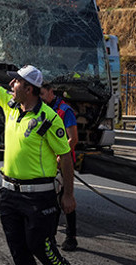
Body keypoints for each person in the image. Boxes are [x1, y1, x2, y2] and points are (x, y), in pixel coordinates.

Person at [0, 54, 74, 265]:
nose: (11, 83)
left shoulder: (49, 118)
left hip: (39, 197)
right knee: (19, 252)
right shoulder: (10, 105)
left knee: (41, 248)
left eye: (16, 80)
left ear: (29, 89)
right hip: (10, 195)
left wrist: (68, 195)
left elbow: (65, 157)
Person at [41, 83, 79, 251]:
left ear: (51, 92)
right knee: (51, 201)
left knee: (65, 201)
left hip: (62, 162)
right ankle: (51, 236)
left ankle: (71, 237)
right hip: (47, 163)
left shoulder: (65, 111)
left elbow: (73, 139)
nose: (40, 96)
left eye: (42, 93)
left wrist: (59, 155)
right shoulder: (41, 108)